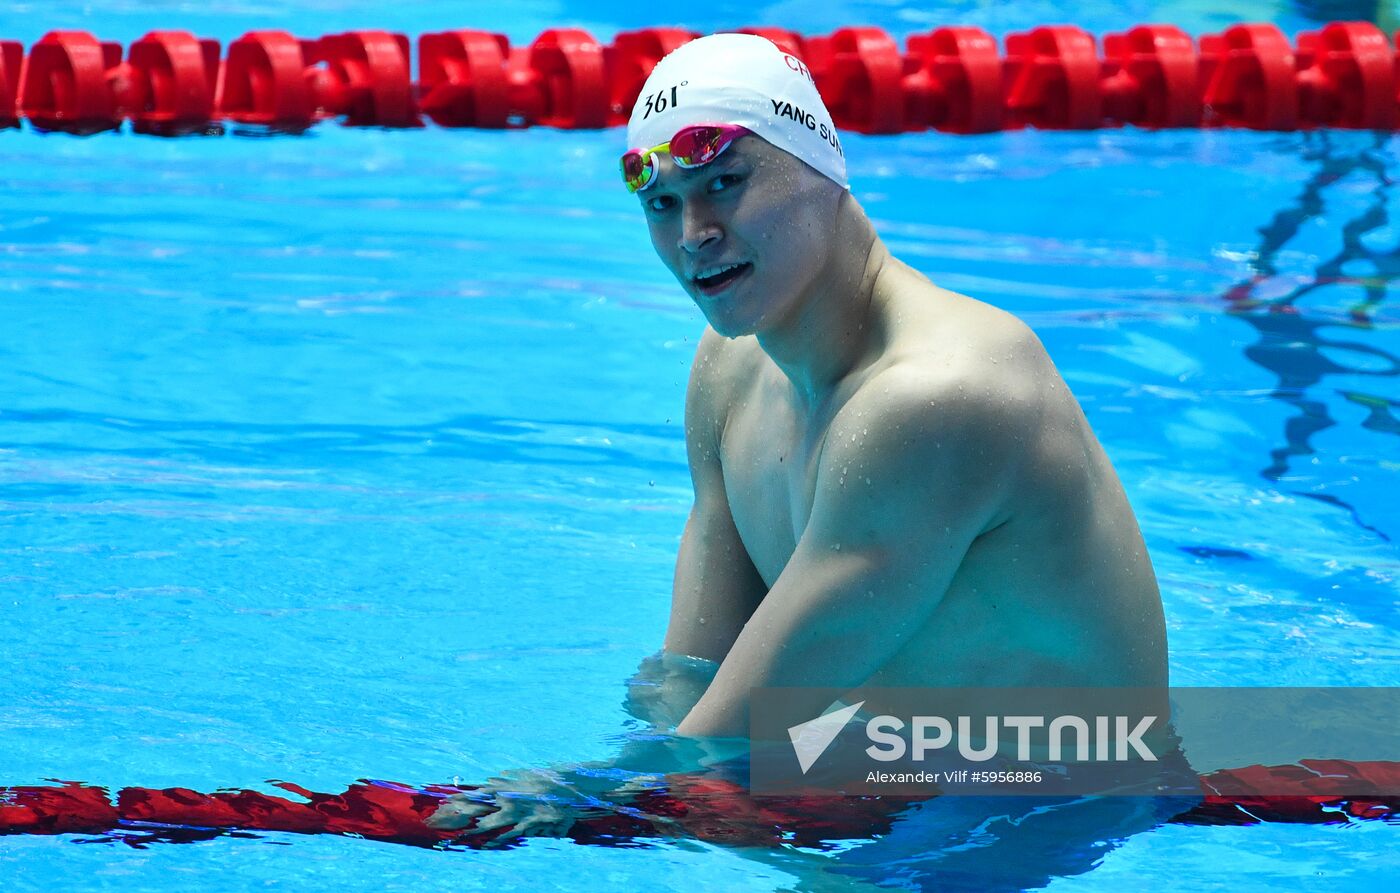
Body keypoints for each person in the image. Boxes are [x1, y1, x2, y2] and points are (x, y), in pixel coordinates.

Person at [429, 30, 1168, 837]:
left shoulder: (941, 394)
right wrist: (628, 766)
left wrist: (574, 795)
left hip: (1054, 795)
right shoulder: (730, 369)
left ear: (822, 167)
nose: (693, 233)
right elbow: (693, 671)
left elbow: (742, 724)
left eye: (727, 183)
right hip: (892, 767)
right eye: (663, 203)